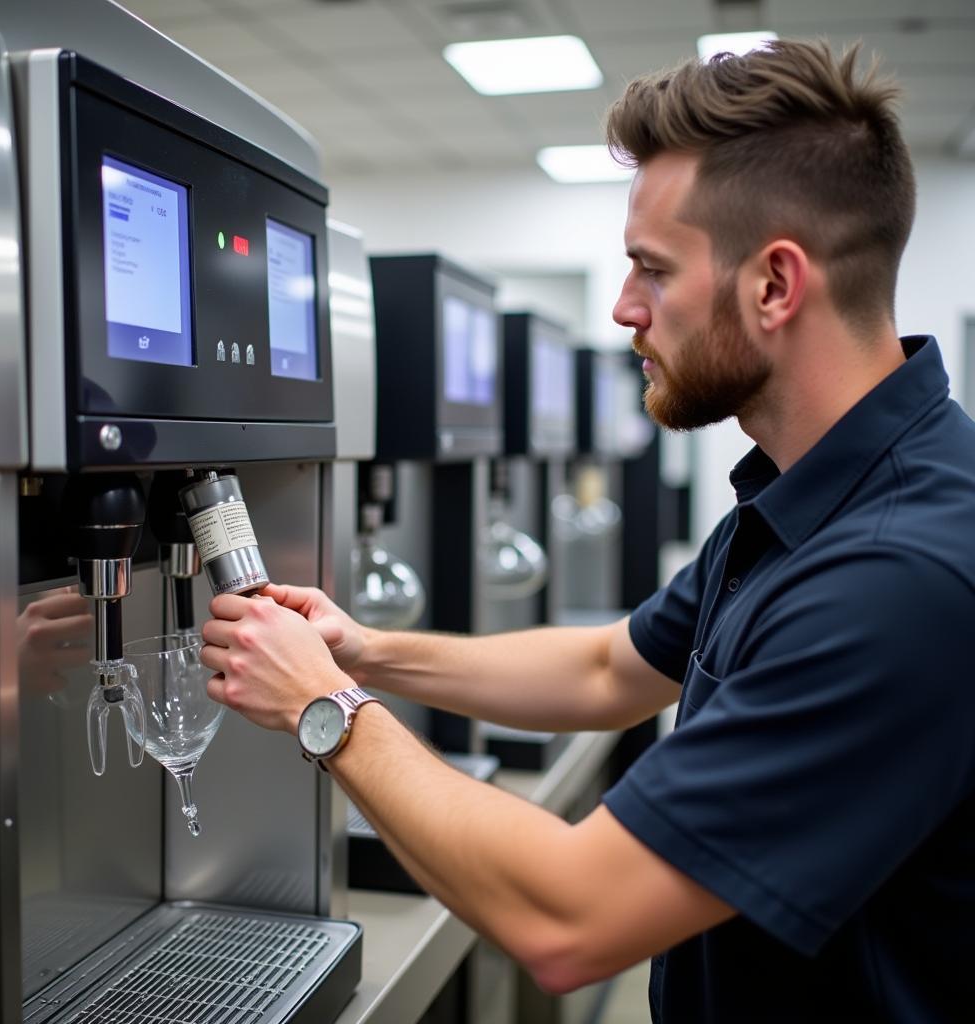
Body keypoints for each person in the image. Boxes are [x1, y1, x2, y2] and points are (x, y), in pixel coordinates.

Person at [201, 39, 975, 1022]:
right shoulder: (814, 494)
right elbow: (611, 670)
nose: (620, 309)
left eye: (651, 270)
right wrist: (364, 648)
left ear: (774, 286)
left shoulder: (893, 575)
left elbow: (571, 918)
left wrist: (327, 707)